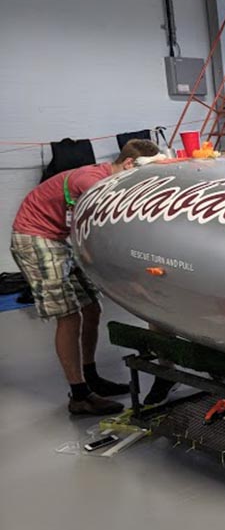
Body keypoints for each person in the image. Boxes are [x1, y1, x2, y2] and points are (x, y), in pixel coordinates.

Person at [10, 139, 163, 416]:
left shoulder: (109, 177)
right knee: (69, 315)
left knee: (92, 308)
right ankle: (79, 395)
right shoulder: (92, 183)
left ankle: (91, 378)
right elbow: (112, 230)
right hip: (35, 237)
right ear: (129, 164)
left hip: (60, 237)